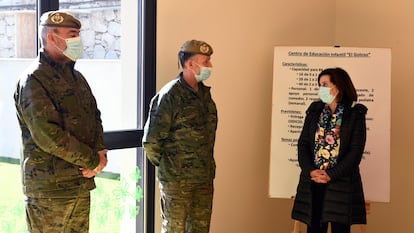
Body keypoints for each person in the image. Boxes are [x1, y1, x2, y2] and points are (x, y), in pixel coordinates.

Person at [14, 10, 108, 233]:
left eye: (77, 35)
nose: (78, 41)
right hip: (49, 190)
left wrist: (100, 151)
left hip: (78, 185)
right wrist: (91, 159)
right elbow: (47, 134)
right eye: (72, 34)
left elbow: (94, 117)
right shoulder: (34, 80)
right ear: (52, 38)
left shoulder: (77, 78)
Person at [142, 39, 218, 233]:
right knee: (174, 229)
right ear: (191, 64)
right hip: (177, 182)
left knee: (200, 229)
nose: (210, 66)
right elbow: (151, 142)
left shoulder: (204, 95)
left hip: (203, 178)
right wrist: (171, 166)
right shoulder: (170, 95)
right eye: (206, 61)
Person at [291, 67, 367, 233]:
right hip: (314, 182)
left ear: (338, 86)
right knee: (315, 229)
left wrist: (331, 174)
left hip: (341, 184)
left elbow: (355, 152)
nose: (321, 89)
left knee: (340, 229)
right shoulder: (314, 110)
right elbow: (303, 144)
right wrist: (311, 171)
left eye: (325, 84)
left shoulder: (355, 113)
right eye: (320, 85)